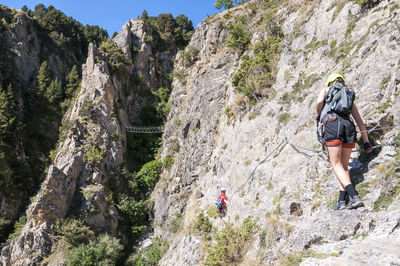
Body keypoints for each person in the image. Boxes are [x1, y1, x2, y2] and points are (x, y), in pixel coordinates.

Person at [316, 73, 372, 210]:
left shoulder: (326, 90)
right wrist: (366, 142)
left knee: (335, 164)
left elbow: (318, 102)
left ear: (329, 83)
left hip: (332, 125)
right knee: (344, 166)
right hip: (348, 127)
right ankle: (342, 200)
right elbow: (360, 123)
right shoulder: (347, 97)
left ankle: (354, 196)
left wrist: (319, 115)